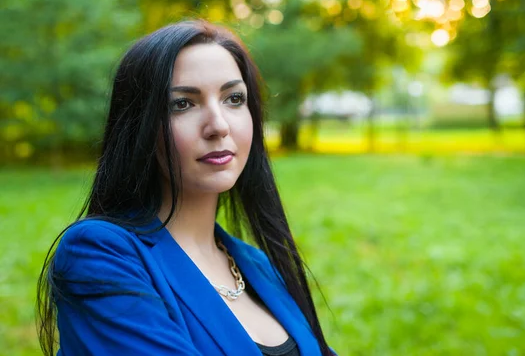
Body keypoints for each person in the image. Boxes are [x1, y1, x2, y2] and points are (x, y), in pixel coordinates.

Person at [36, 20, 336, 356]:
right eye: (183, 104)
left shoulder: (257, 265)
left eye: (234, 98)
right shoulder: (100, 255)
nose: (218, 126)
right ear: (141, 128)